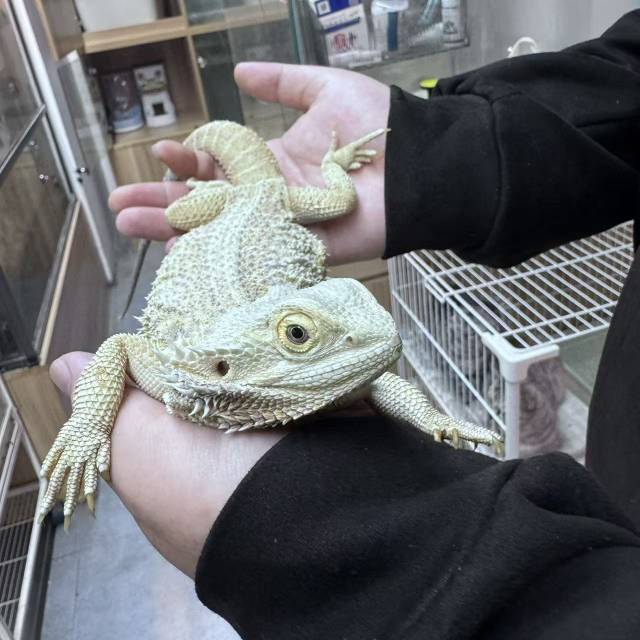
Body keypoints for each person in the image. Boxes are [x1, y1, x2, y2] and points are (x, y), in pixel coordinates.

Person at [51, 10, 640, 639]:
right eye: (298, 339)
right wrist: (89, 423)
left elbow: (373, 378)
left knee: (339, 209)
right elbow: (120, 348)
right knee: (239, 215)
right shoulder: (190, 367)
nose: (383, 339)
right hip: (242, 206)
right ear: (225, 366)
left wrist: (429, 420)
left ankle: (315, 196)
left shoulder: (306, 367)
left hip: (270, 207)